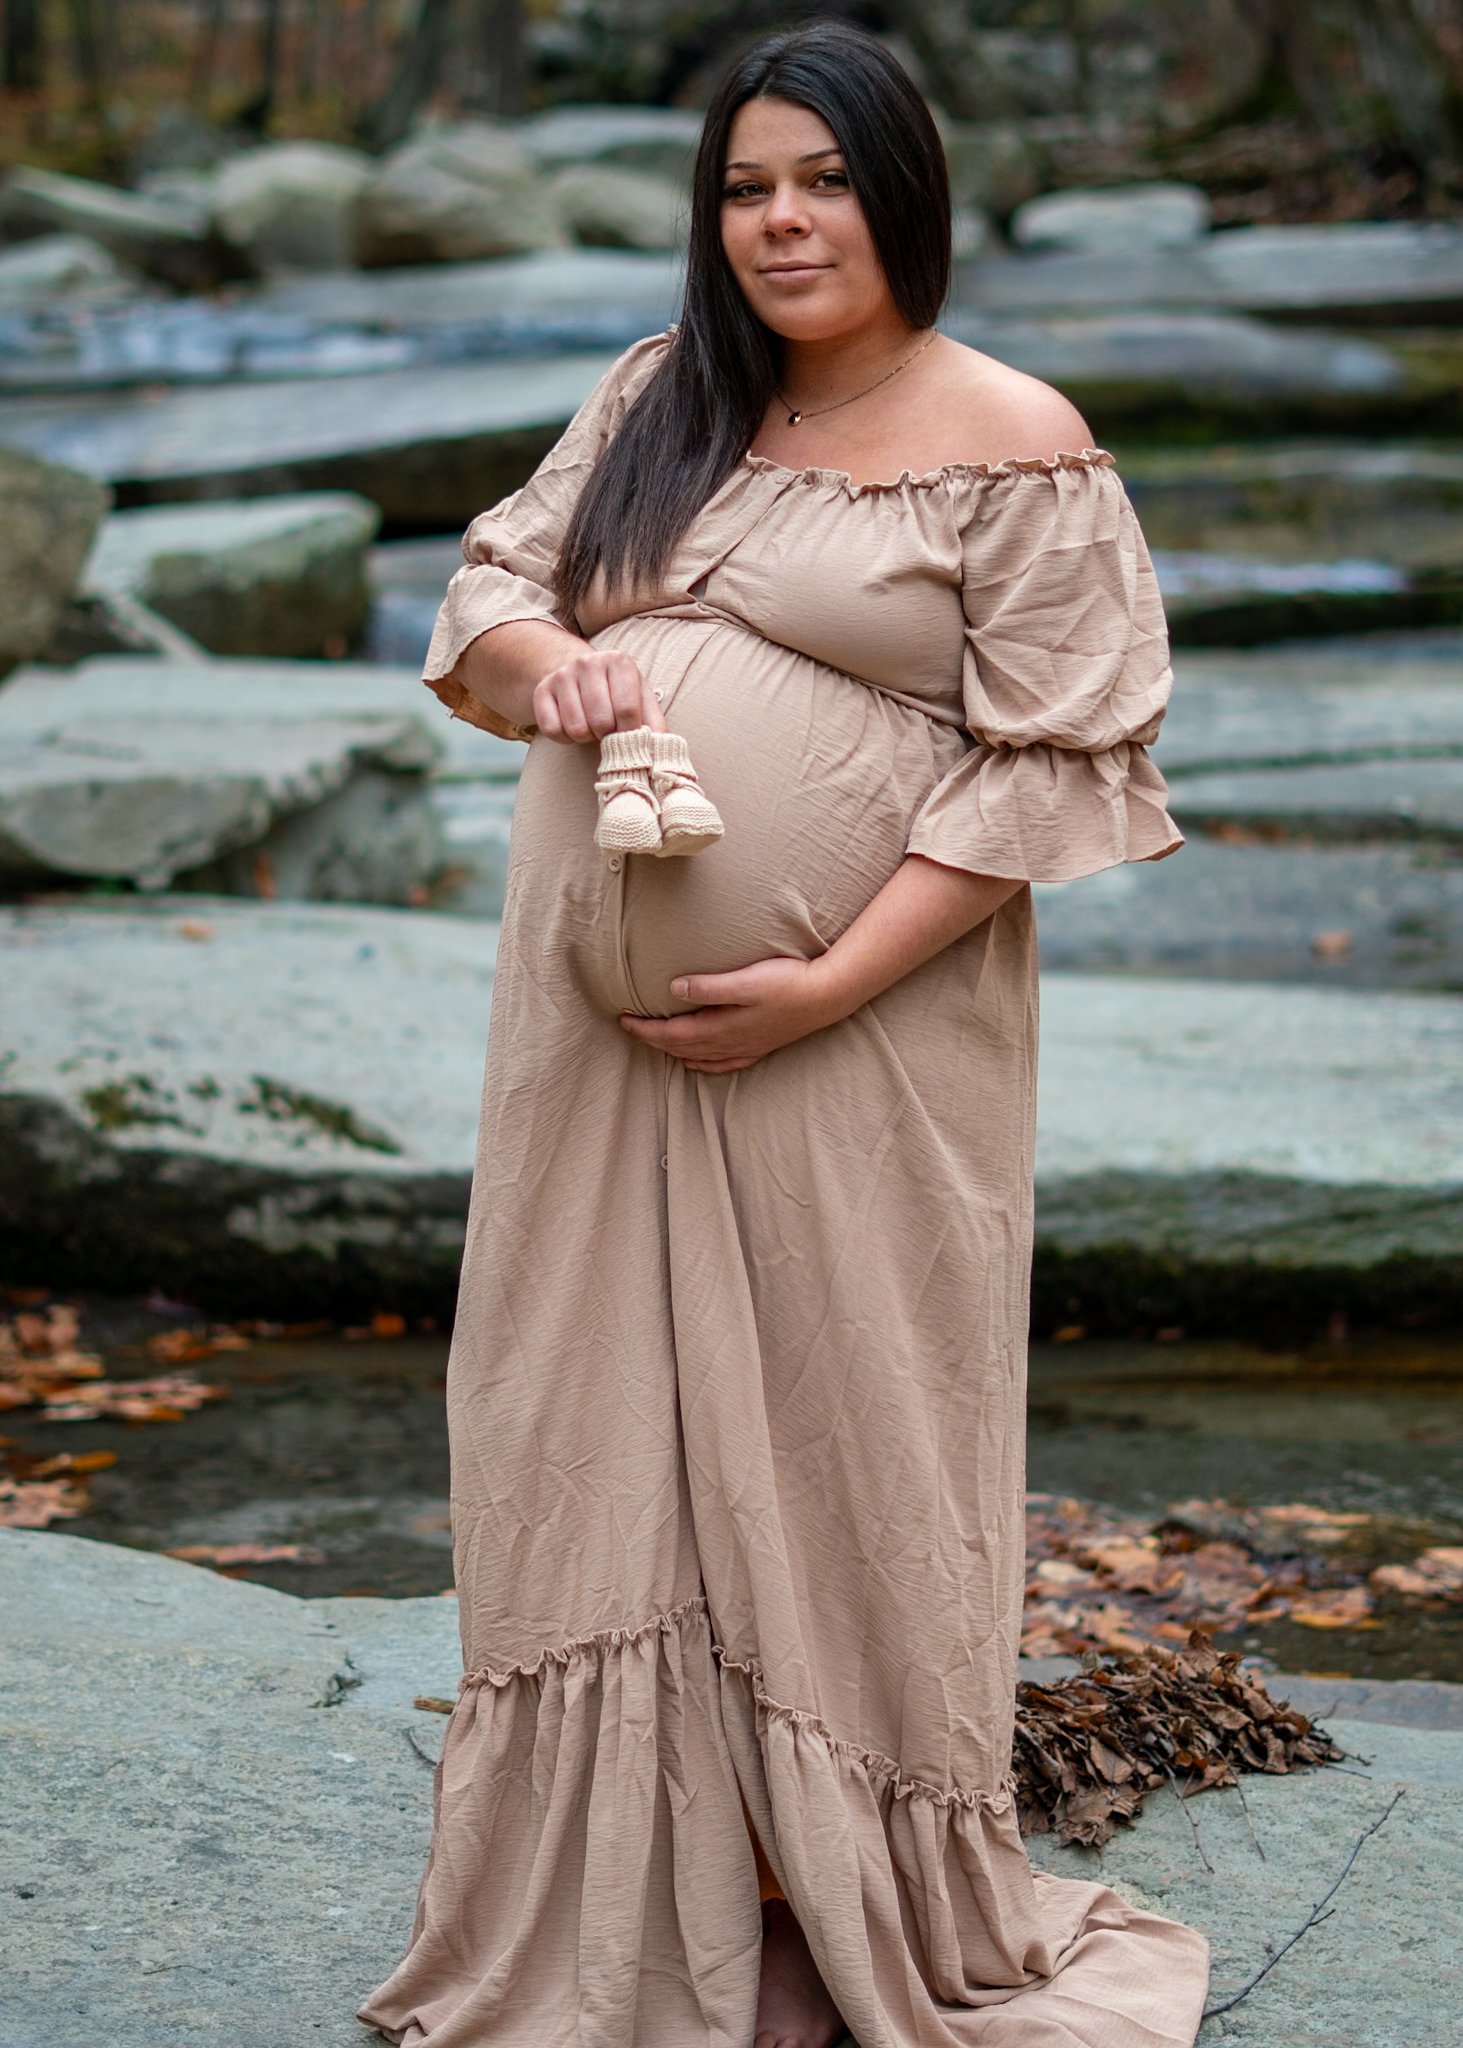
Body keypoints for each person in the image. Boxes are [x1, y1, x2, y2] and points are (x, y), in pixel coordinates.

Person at [358, 20, 1210, 2048]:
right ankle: (636, 1893)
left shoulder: (1016, 436)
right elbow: (485, 586)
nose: (781, 220)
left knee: (842, 1438)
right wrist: (553, 658)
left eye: (821, 178)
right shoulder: (663, 396)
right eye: (745, 186)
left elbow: (1061, 770)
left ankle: (839, 1894)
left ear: (903, 190)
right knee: (584, 1436)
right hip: (590, 1071)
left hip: (862, 1051)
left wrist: (827, 977)